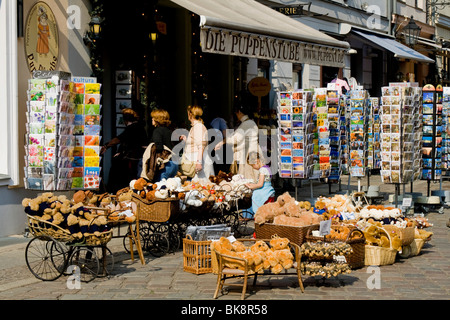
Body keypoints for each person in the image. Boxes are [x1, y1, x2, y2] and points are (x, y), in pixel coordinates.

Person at [101, 108, 148, 193]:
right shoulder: (141, 128)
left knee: (117, 172)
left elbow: (120, 138)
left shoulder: (131, 128)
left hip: (131, 158)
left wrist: (106, 146)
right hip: (138, 157)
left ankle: (115, 192)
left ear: (125, 119)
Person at [215, 104, 260, 181]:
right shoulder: (249, 123)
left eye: (236, 113)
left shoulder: (246, 123)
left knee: (248, 178)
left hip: (248, 155)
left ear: (239, 112)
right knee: (252, 177)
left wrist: (224, 139)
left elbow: (235, 139)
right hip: (252, 153)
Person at [141, 109, 178, 182]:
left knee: (160, 189)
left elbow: (159, 146)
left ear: (157, 120)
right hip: (174, 164)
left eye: (153, 117)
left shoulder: (157, 131)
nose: (152, 119)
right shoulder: (169, 131)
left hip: (165, 165)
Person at [180, 105, 214, 180]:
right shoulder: (196, 127)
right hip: (197, 161)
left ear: (190, 114)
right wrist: (187, 140)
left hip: (200, 162)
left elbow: (201, 146)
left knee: (201, 188)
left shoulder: (198, 127)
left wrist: (199, 162)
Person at [242, 151, 275, 219]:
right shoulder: (267, 168)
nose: (253, 167)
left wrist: (251, 186)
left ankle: (250, 215)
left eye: (253, 165)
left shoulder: (262, 170)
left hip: (265, 191)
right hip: (269, 190)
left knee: (253, 195)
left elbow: (260, 184)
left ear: (257, 161)